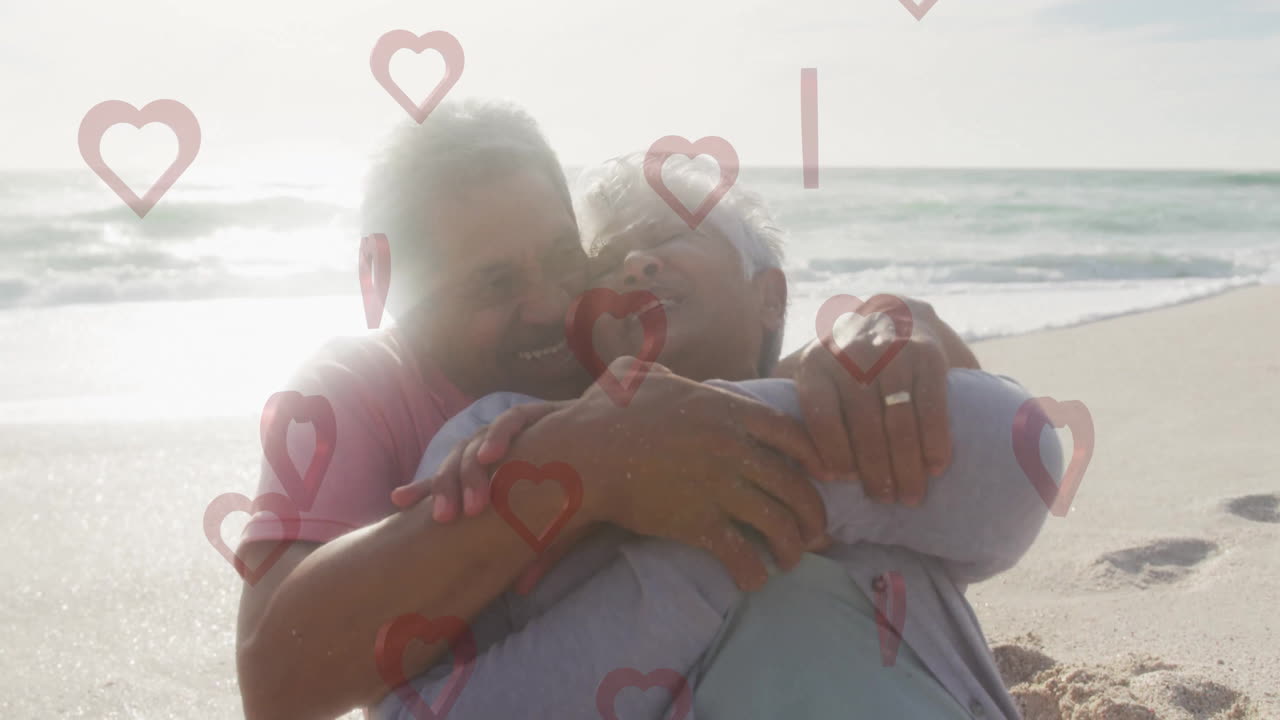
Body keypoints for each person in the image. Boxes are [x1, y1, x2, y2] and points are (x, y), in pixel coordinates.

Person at [234, 100, 997, 719]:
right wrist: (578, 468)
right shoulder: (363, 386)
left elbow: (902, 446)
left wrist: (905, 327)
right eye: (493, 285)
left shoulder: (610, 349)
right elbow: (277, 686)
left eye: (567, 259)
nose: (548, 305)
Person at [375, 154, 1060, 719]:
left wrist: (679, 462)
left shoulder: (851, 392)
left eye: (671, 235)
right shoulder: (503, 435)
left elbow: (1023, 458)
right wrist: (638, 480)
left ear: (770, 297)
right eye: (608, 260)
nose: (636, 264)